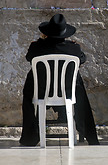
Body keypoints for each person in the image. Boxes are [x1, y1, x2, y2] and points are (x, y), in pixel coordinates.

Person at [19, 14, 100, 146]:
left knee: (28, 89)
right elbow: (83, 59)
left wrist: (41, 41)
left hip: (41, 92)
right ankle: (87, 133)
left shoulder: (37, 47)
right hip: (67, 93)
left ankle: (30, 136)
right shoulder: (73, 48)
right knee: (79, 86)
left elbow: (29, 57)